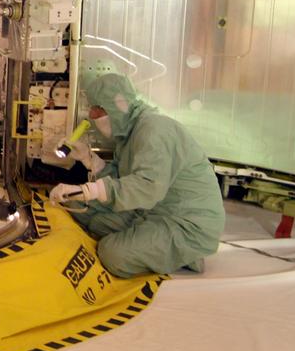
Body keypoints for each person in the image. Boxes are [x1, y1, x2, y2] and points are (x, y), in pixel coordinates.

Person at [48, 73, 225, 278]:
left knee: (112, 253)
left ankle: (186, 253)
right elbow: (125, 176)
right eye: (92, 110)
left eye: (98, 110)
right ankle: (154, 244)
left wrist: (89, 190)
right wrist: (90, 160)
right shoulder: (129, 134)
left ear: (118, 105)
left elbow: (147, 186)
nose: (93, 116)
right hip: (153, 209)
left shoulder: (155, 129)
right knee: (83, 213)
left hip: (187, 224)